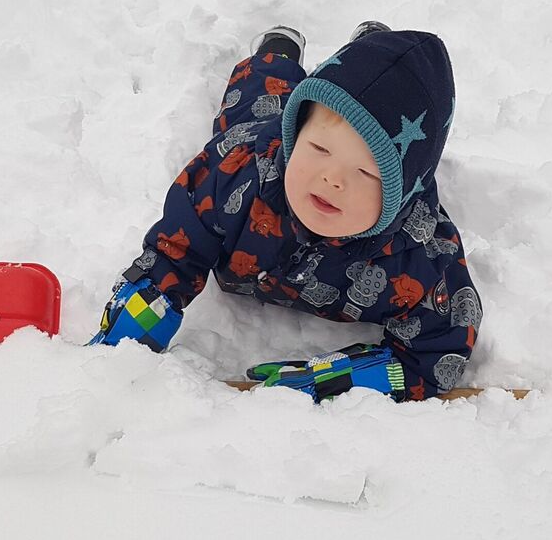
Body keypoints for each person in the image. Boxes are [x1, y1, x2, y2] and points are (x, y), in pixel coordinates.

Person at [90, 22, 482, 402]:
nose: (332, 179)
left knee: (364, 97)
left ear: (404, 192)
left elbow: (436, 351)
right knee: (260, 95)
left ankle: (371, 54)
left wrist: (336, 381)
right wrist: (135, 325)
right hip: (264, 127)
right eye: (319, 150)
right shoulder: (234, 174)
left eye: (366, 173)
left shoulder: (421, 256)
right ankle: (281, 51)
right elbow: (174, 249)